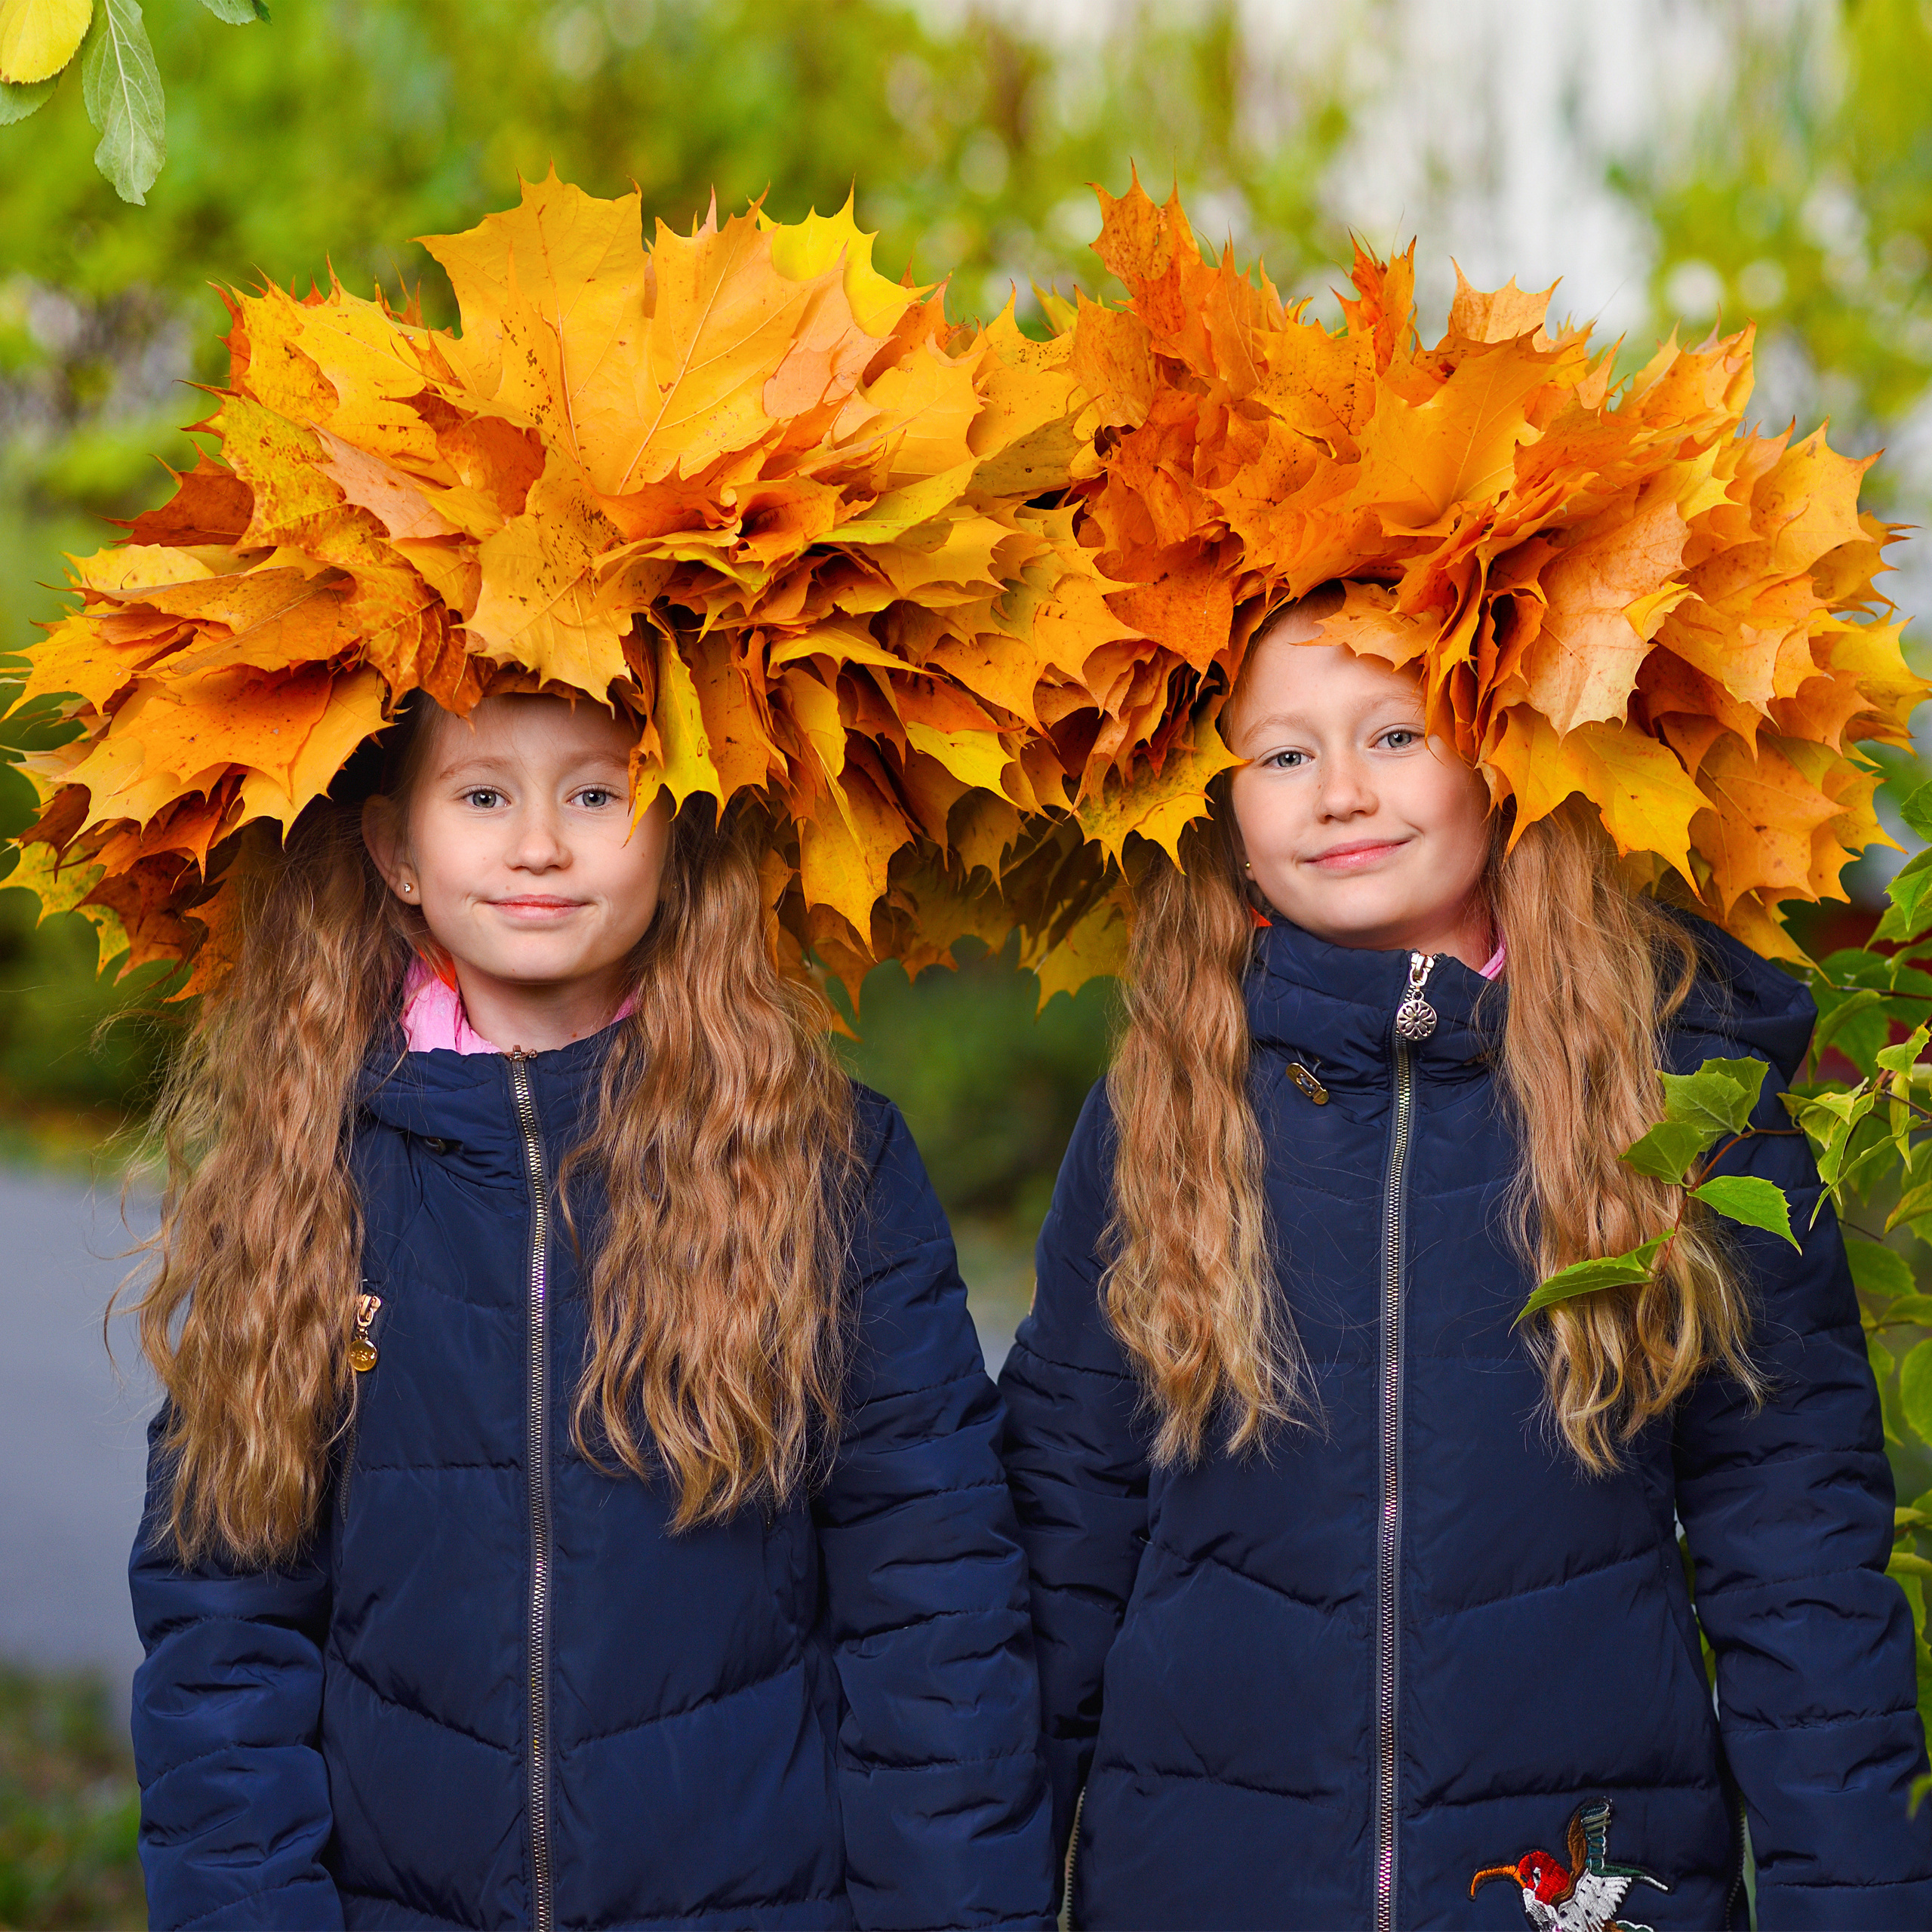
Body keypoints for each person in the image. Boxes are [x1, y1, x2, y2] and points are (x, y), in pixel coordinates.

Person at [998, 593, 1932, 1930]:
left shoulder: (1680, 1098)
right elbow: (1060, 1547)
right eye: (1283, 755)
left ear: (1510, 749)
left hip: (1588, 1887)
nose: (1339, 794)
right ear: (1223, 806)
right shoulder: (1164, 1102)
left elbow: (1801, 1564)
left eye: (1394, 732)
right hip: (1205, 1885)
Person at [125, 691, 1054, 1930]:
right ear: (396, 850)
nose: (540, 845)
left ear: (682, 830)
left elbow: (934, 1606)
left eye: (599, 794)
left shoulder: (823, 1164)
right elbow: (223, 1634)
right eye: (484, 796)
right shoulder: (302, 1173)